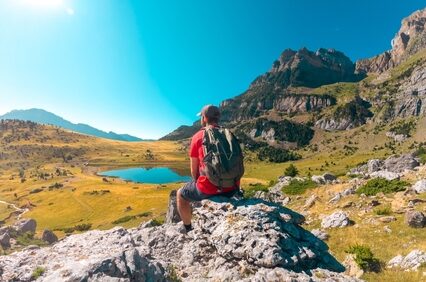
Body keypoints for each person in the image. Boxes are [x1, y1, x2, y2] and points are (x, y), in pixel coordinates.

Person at [177, 104, 243, 232]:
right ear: (218, 118)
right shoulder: (228, 133)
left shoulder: (198, 136)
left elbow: (193, 170)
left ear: (204, 118)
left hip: (207, 188)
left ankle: (188, 228)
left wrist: (197, 182)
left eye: (201, 116)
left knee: (181, 194)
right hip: (232, 188)